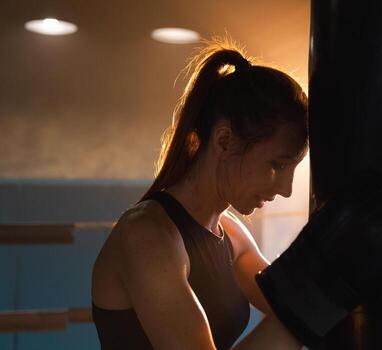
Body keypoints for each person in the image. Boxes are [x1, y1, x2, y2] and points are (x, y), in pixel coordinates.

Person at [91, 37, 309, 350]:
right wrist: (311, 308)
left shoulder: (232, 236)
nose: (286, 189)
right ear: (224, 140)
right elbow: (300, 315)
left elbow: (292, 305)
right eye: (277, 165)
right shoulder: (147, 236)